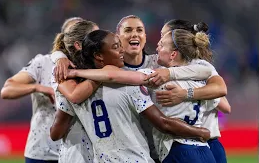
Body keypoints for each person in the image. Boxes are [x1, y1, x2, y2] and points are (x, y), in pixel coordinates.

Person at [51, 15, 228, 162]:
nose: (157, 44)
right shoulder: (138, 79)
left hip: (168, 149)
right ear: (118, 36)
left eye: (140, 30)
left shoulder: (154, 67)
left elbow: (222, 96)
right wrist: (60, 58)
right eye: (127, 30)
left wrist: (184, 92)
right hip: (157, 152)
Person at [0, 17, 84, 163]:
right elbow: (7, 90)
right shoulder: (43, 63)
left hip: (77, 153)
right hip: (42, 152)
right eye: (72, 33)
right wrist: (38, 87)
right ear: (63, 38)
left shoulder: (92, 67)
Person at [156, 19, 231, 163]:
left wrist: (185, 94)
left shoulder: (199, 65)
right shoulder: (166, 65)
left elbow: (224, 102)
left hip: (204, 140)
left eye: (163, 35)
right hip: (192, 141)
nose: (160, 41)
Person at [50, 19, 100, 163]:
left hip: (105, 153)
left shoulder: (101, 65)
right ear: (78, 45)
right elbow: (56, 132)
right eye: (94, 36)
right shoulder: (63, 72)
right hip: (78, 155)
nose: (100, 39)